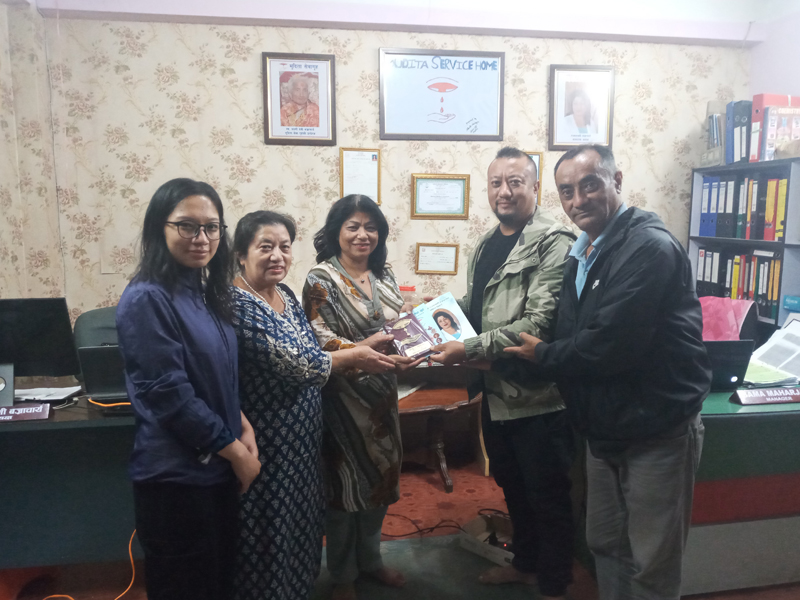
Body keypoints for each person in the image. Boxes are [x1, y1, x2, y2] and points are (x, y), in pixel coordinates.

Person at [504, 144, 711, 600]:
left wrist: (543, 355)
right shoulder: (583, 250)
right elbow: (569, 325)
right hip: (604, 428)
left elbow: (610, 344)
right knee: (606, 544)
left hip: (656, 429)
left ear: (616, 181)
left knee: (652, 563)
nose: (578, 200)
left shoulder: (649, 247)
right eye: (566, 191)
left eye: (589, 185)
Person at [430, 147, 577, 600]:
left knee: (546, 493)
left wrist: (467, 348)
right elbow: (475, 307)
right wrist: (427, 319)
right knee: (512, 484)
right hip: (494, 390)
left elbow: (538, 324)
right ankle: (526, 565)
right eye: (496, 183)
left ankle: (555, 584)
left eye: (515, 181)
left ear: (535, 187)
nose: (505, 191)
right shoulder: (487, 242)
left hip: (537, 395)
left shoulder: (554, 241)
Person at [229, 211, 397, 600]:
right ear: (240, 254)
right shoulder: (237, 304)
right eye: (265, 247)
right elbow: (298, 363)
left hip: (305, 436)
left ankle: (301, 588)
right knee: (272, 527)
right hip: (269, 440)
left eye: (284, 247)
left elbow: (309, 348)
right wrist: (359, 355)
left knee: (303, 522)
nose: (277, 256)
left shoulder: (285, 294)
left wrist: (367, 348)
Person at [116, 178, 262, 600]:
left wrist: (242, 424)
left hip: (215, 467)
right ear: (158, 228)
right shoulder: (148, 298)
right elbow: (169, 395)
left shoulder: (204, 291)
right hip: (176, 480)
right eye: (187, 226)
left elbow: (214, 376)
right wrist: (238, 455)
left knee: (219, 582)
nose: (202, 238)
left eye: (212, 227)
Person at [302, 195, 420, 600]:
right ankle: (342, 575)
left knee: (379, 483)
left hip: (383, 398)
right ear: (336, 231)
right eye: (352, 226)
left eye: (371, 226)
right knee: (344, 490)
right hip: (341, 400)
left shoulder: (384, 274)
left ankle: (371, 561)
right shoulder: (320, 278)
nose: (362, 234)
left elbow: (400, 326)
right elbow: (320, 339)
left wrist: (412, 347)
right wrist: (366, 349)